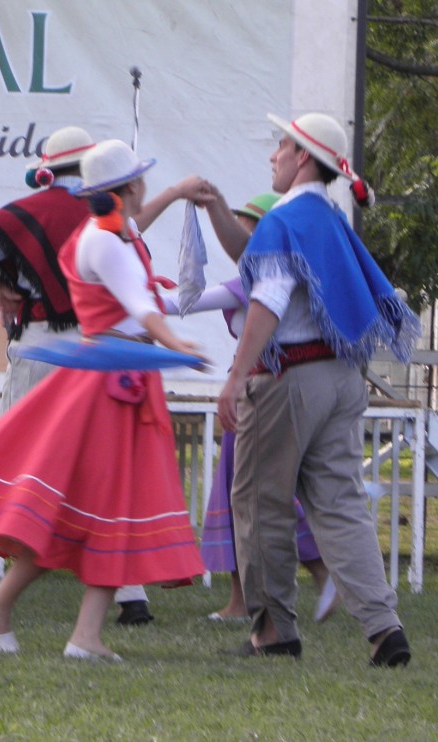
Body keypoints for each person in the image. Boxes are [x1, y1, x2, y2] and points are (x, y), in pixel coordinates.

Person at [0, 139, 207, 661]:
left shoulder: (118, 231)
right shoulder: (104, 238)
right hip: (105, 382)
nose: (145, 191)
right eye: (141, 182)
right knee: (79, 508)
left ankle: (83, 635)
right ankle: (3, 605)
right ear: (130, 186)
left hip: (125, 376)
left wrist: (197, 314)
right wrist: (174, 342)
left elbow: (143, 293)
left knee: (106, 511)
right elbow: (138, 304)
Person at [215, 112, 419, 665]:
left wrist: (236, 377)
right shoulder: (330, 219)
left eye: (281, 146)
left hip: (288, 381)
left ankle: (273, 633)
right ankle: (385, 629)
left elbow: (269, 300)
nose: (273, 156)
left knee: (260, 503)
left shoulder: (284, 220)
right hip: (340, 378)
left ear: (303, 156)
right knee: (340, 505)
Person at [0, 125, 153, 625]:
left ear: (49, 169)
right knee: (101, 470)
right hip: (96, 351)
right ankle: (130, 596)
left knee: (11, 463)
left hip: (36, 346)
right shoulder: (113, 218)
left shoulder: (27, 213)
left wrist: (3, 287)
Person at [180, 193, 337, 623]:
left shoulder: (252, 282)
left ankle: (306, 577)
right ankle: (303, 580)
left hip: (260, 389)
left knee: (249, 493)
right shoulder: (271, 277)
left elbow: (186, 303)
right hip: (268, 386)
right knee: (259, 492)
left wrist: (134, 300)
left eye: (251, 227)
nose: (244, 236)